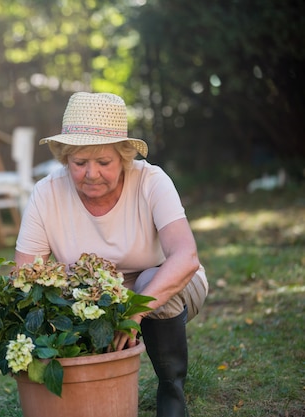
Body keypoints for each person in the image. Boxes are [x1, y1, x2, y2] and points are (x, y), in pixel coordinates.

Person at [14, 92, 208, 417]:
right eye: (79, 163)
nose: (91, 174)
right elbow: (23, 277)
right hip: (88, 297)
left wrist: (133, 312)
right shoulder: (46, 193)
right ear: (65, 159)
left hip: (166, 287)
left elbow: (185, 257)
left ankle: (172, 393)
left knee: (150, 279)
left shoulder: (152, 181)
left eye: (103, 162)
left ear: (124, 157)